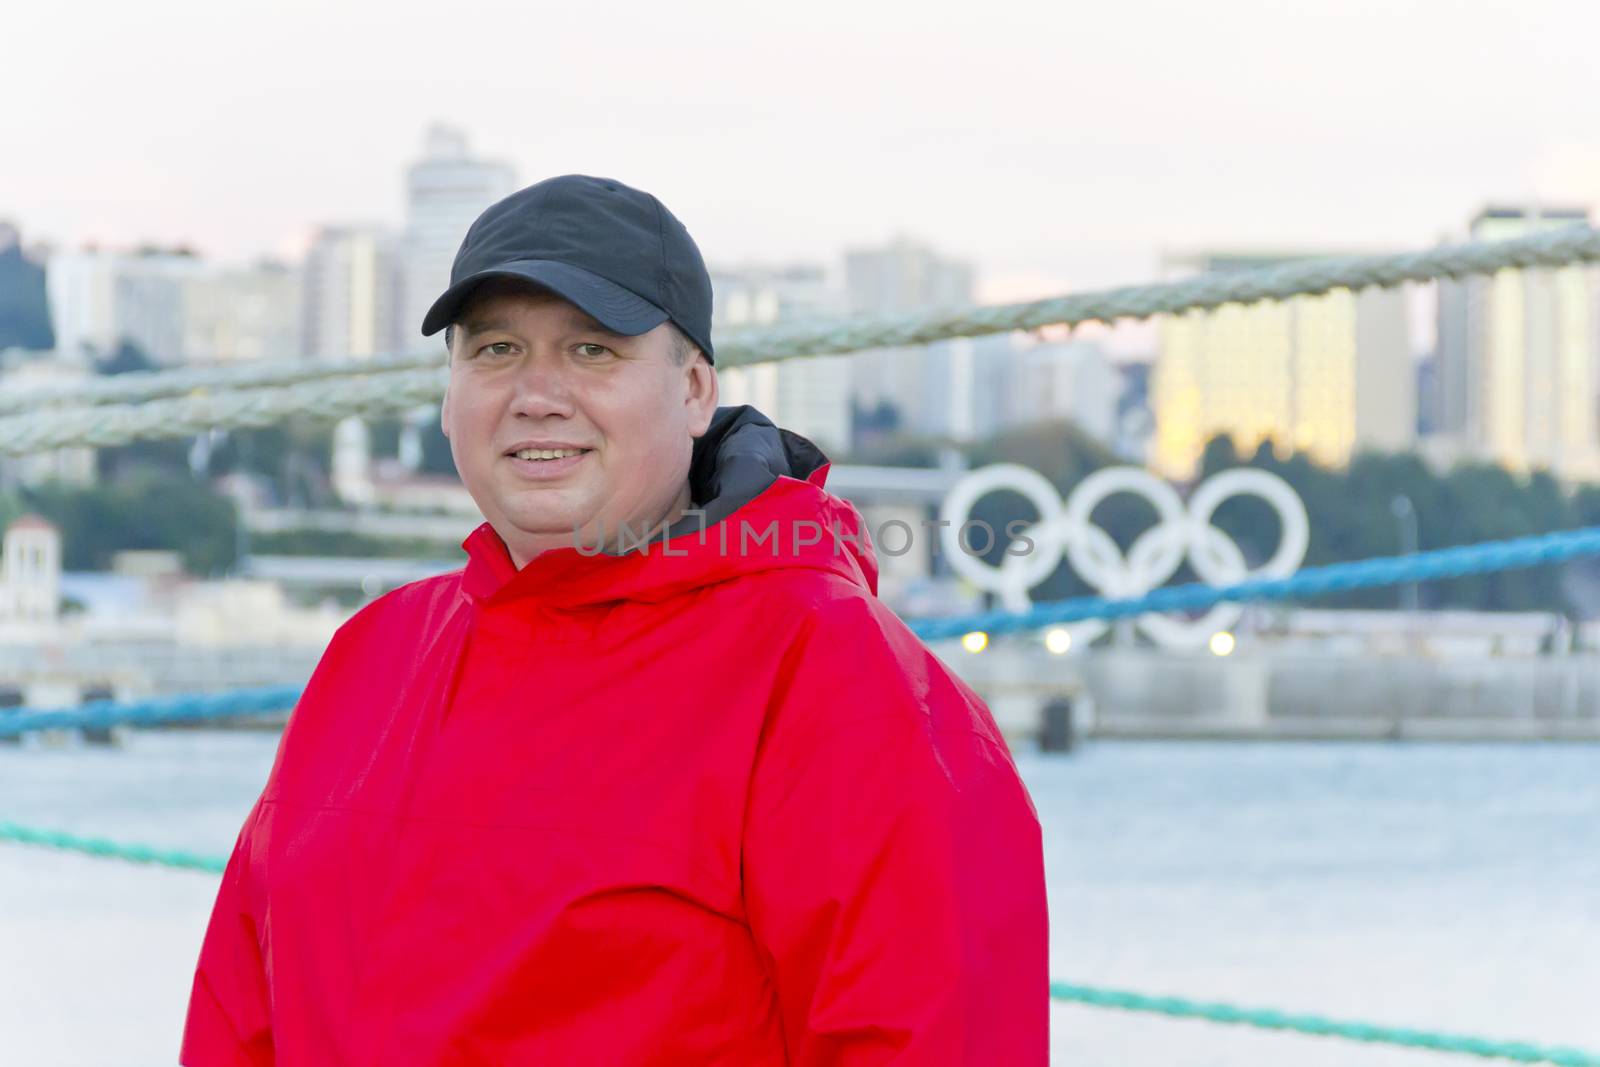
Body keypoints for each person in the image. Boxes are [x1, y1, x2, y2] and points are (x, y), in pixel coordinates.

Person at [181, 174, 1048, 1065]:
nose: (536, 393)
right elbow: (239, 1017)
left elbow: (933, 1035)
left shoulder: (835, 674)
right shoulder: (372, 656)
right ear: (449, 395)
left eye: (593, 351)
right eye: (496, 349)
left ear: (696, 389)